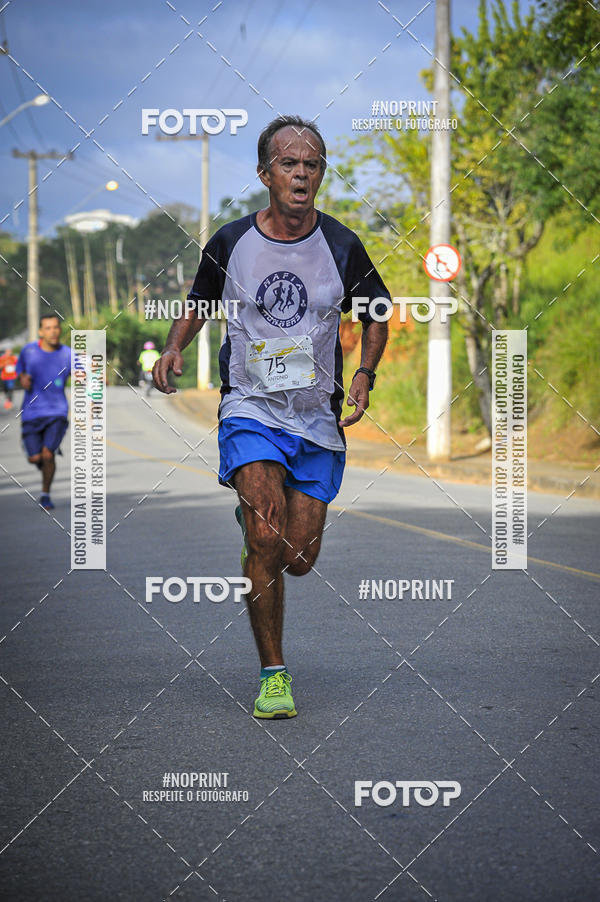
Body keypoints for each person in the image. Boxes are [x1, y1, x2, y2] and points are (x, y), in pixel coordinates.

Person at [153, 115, 389, 719]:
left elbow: (378, 312)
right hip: (251, 408)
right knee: (265, 534)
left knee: (299, 557)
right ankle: (274, 675)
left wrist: (363, 373)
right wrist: (175, 345)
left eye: (311, 164)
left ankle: (263, 525)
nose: (302, 174)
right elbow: (200, 301)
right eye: (290, 164)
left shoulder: (341, 245)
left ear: (321, 173)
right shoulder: (232, 242)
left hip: (315, 417)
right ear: (265, 174)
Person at [17, 314, 72, 510]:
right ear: (41, 332)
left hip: (57, 412)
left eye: (56, 327)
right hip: (31, 413)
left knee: (48, 455)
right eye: (48, 328)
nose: (53, 331)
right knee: (36, 458)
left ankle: (45, 494)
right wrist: (22, 378)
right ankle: (38, 457)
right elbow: (20, 372)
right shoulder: (28, 351)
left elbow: (85, 376)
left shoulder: (68, 354)